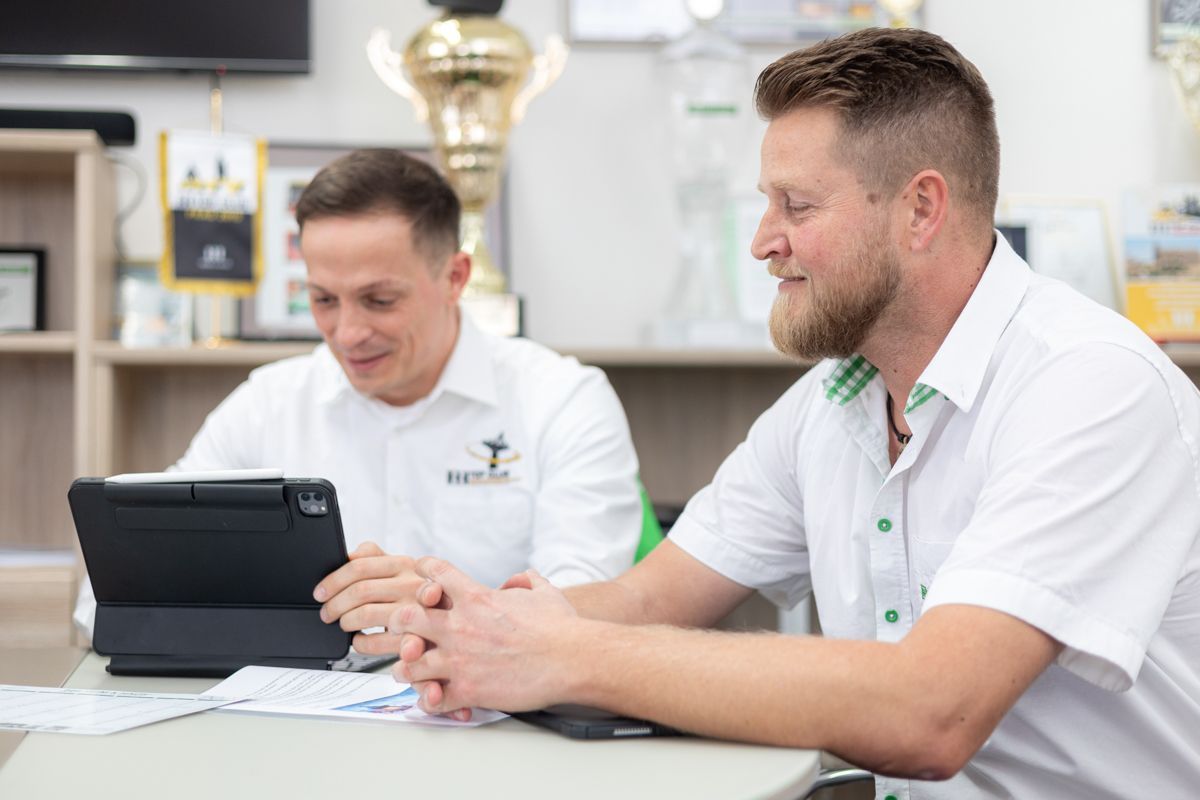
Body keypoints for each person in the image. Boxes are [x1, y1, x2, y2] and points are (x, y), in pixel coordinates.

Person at [385, 27, 1200, 798]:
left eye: (797, 206)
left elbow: (932, 711)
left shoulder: (1091, 387)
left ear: (921, 211)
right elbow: (645, 602)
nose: (763, 241)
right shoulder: (831, 401)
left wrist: (567, 655)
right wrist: (453, 613)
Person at [74, 149, 645, 645]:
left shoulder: (563, 400)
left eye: (378, 300)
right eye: (323, 300)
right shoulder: (268, 403)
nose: (346, 334)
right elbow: (110, 594)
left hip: (501, 729)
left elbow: (583, 609)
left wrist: (443, 610)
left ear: (455, 277)